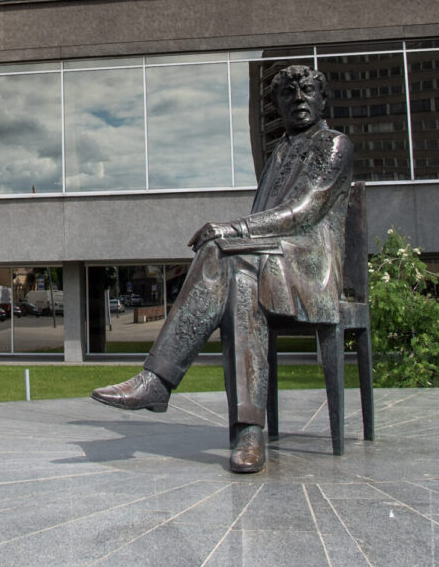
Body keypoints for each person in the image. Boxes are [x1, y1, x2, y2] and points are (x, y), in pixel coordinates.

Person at [91, 64, 353, 474]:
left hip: (309, 268)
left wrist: (234, 229)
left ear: (323, 100)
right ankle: (248, 433)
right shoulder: (279, 154)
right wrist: (236, 235)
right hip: (271, 263)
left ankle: (158, 382)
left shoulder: (334, 144)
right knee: (240, 280)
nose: (299, 99)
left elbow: (303, 213)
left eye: (307, 92)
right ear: (278, 106)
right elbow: (267, 219)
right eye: (289, 94)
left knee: (224, 252)